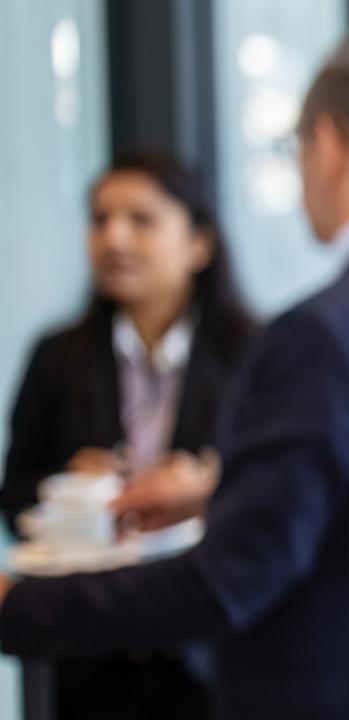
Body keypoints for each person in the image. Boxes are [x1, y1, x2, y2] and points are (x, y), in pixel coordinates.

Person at [0, 29, 349, 719]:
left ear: (330, 143)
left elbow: (231, 579)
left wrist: (21, 604)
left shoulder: (324, 330)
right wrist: (218, 489)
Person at [2, 152, 254, 719]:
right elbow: (14, 493)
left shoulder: (252, 355)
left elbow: (276, 503)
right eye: (100, 219)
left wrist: (207, 480)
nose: (114, 238)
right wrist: (64, 489)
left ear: (199, 243)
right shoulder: (57, 357)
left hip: (207, 651)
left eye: (141, 220)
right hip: (86, 648)